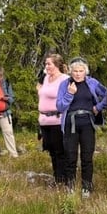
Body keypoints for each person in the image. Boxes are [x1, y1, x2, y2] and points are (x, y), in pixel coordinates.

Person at [56, 57, 107, 197]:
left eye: (81, 71)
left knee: (87, 157)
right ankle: (70, 186)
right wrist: (69, 94)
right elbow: (60, 106)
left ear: (85, 71)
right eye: (75, 71)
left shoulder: (92, 83)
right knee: (70, 156)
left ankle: (87, 187)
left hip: (87, 123)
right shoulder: (64, 84)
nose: (78, 74)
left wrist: (98, 107)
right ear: (70, 72)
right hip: (70, 123)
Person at [37, 53, 69, 186]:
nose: (46, 66)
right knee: (50, 150)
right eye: (46, 64)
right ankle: (57, 177)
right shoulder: (45, 78)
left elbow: (68, 98)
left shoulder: (65, 79)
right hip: (44, 121)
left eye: (49, 64)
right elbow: (41, 92)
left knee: (59, 151)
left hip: (57, 120)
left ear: (57, 65)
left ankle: (62, 179)